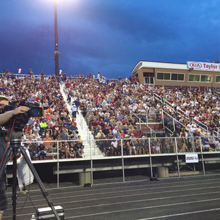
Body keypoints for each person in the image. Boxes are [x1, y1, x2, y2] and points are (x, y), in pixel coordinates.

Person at [0, 95, 29, 220]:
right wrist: (12, 112)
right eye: (1, 106)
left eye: (6, 107)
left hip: (1, 168)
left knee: (1, 203)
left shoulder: (6, 126)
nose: (3, 109)